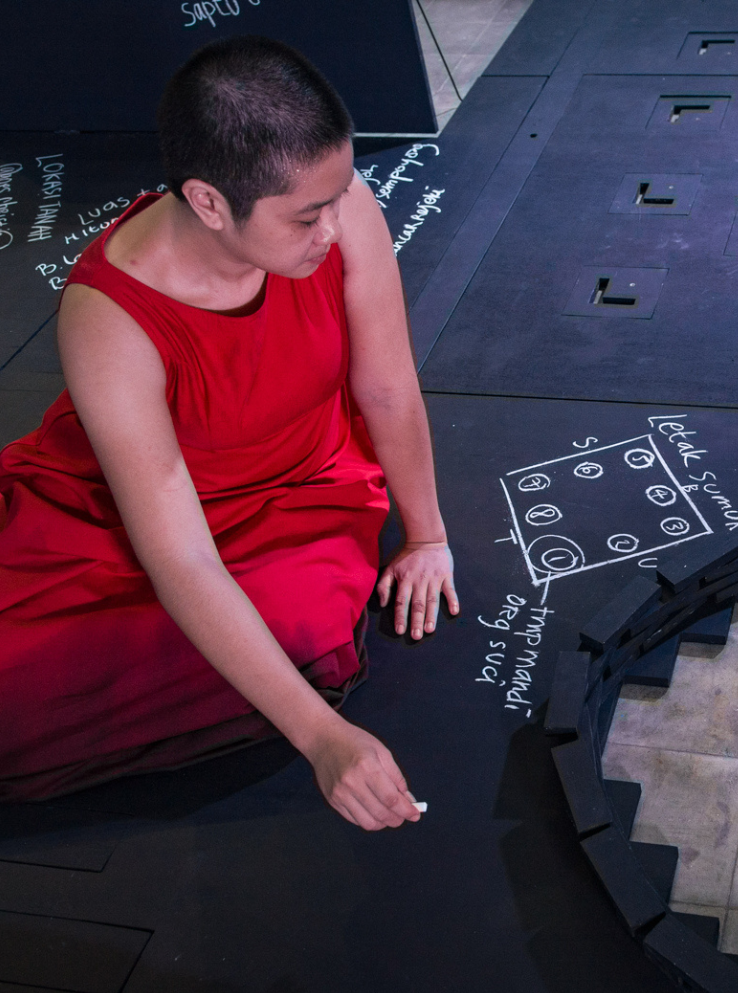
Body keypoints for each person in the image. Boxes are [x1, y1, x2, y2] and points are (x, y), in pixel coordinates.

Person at [0, 37, 457, 830]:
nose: (333, 226)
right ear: (209, 203)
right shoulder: (108, 313)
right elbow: (178, 552)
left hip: (300, 489)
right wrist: (323, 740)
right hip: (132, 508)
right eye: (307, 216)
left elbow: (385, 386)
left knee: (302, 630)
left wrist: (427, 536)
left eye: (337, 196)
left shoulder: (338, 206)